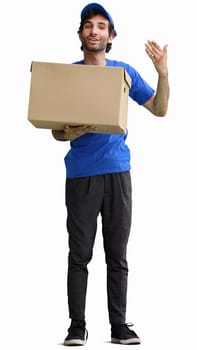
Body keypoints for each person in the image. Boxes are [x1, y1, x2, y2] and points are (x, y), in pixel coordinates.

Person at [52, 2, 169, 346]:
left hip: (118, 173)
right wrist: (69, 132)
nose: (94, 31)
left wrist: (163, 72)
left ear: (111, 36)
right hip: (81, 176)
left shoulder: (124, 72)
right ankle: (77, 326)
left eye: (102, 26)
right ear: (81, 34)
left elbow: (160, 110)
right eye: (88, 25)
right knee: (80, 254)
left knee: (117, 254)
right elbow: (57, 131)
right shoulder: (69, 76)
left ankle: (119, 326)